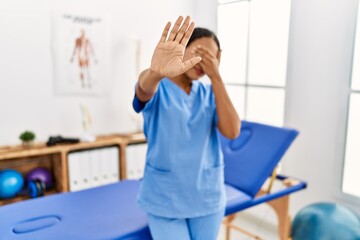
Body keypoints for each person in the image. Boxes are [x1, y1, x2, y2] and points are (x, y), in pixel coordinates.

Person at [132, 16, 241, 240]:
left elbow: (232, 131)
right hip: (165, 199)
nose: (202, 62)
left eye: (210, 58)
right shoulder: (159, 87)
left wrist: (216, 77)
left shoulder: (210, 94)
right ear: (181, 48)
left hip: (207, 197)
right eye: (198, 52)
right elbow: (143, 90)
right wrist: (156, 72)